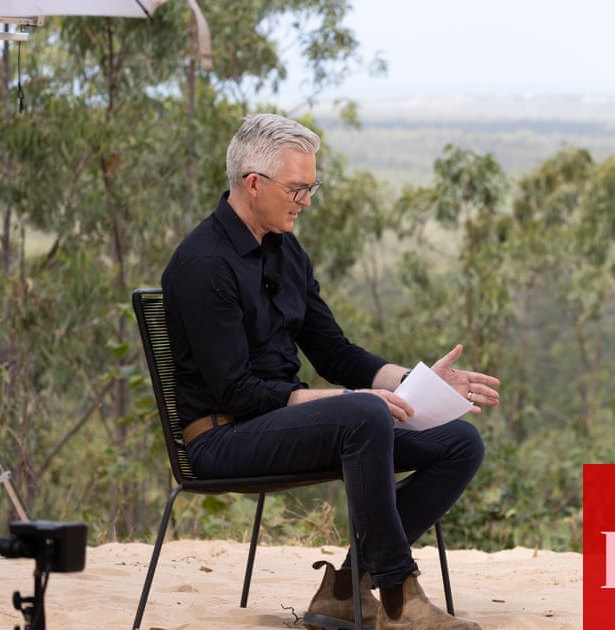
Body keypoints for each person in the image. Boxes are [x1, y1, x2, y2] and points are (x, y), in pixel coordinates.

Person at [161, 113, 497, 630]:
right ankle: (398, 596)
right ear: (254, 184)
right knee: (362, 414)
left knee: (459, 442)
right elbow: (239, 391)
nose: (307, 200)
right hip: (221, 439)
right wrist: (345, 401)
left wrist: (416, 382)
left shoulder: (286, 252)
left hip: (288, 425)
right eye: (298, 188)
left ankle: (345, 589)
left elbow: (334, 351)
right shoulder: (204, 264)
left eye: (311, 186)